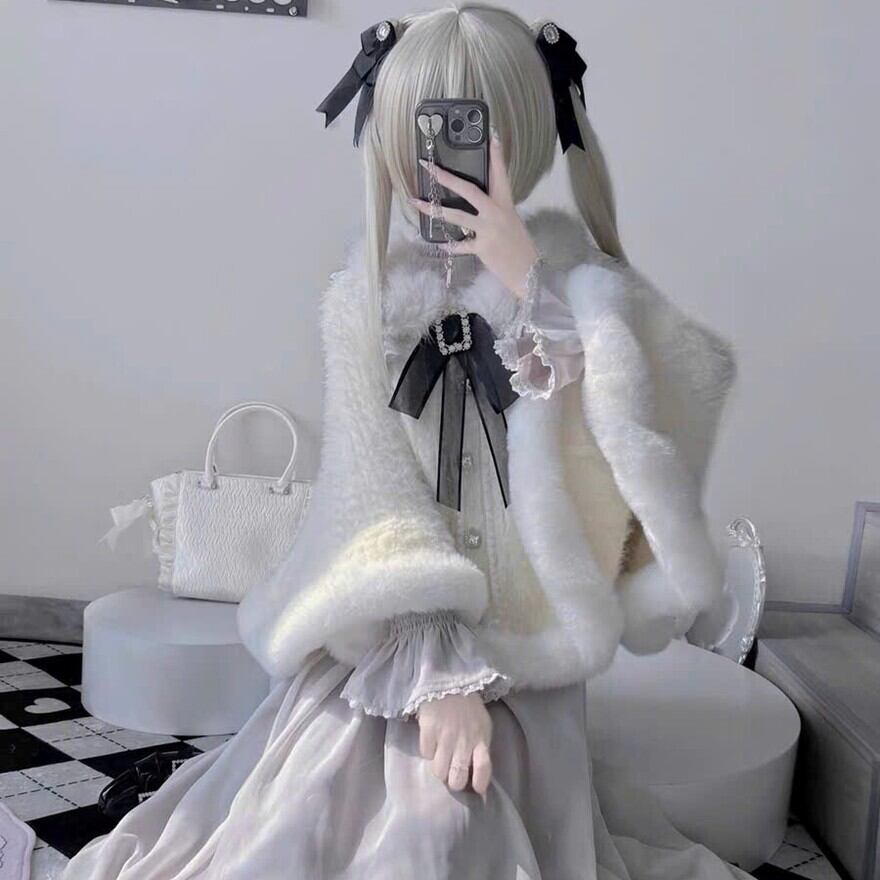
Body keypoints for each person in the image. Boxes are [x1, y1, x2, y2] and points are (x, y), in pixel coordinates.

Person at [62, 5, 748, 878]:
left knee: (454, 826)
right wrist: (437, 671)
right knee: (376, 821)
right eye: (423, 129)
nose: (439, 160)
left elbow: (674, 397)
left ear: (521, 133)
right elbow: (371, 491)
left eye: (469, 130)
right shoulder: (367, 299)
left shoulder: (578, 289)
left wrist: (535, 290)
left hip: (529, 646)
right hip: (392, 640)